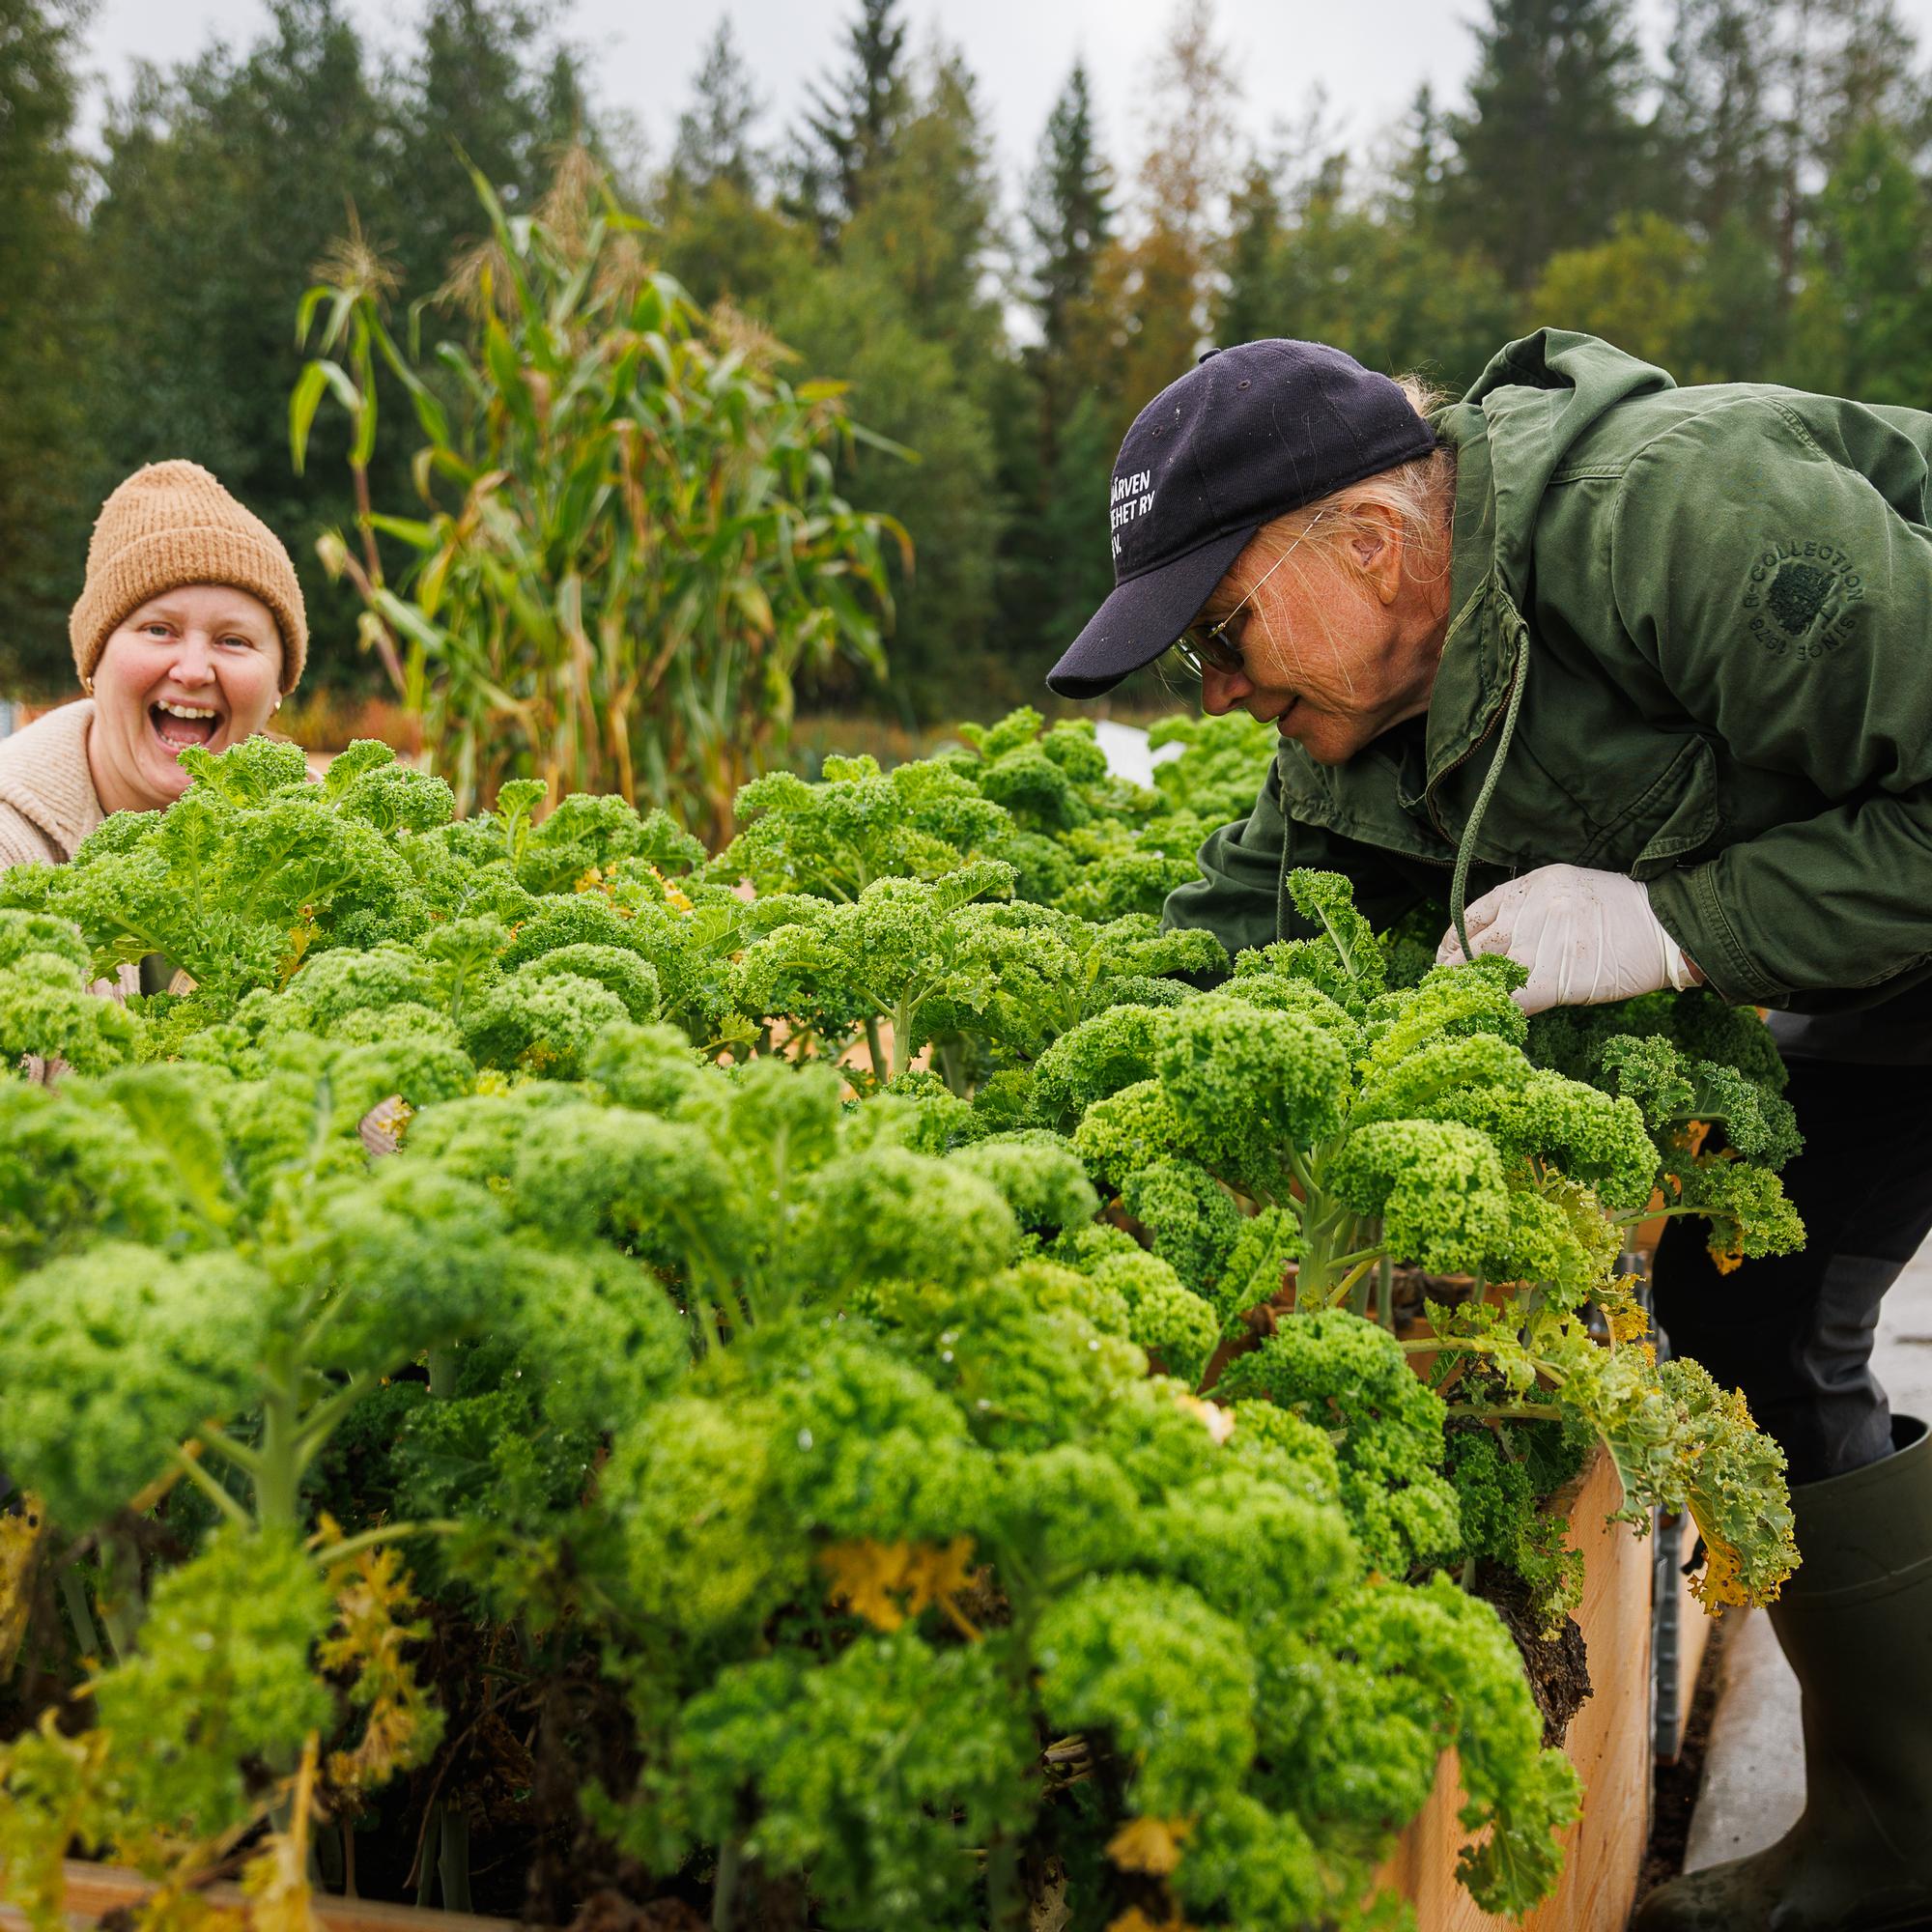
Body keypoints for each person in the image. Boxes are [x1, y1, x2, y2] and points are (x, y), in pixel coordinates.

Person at [1047, 331, 1932, 1932]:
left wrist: (1677, 925)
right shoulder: (1373, 706)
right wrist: (1042, 1106)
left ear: (1375, 543)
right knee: (1763, 1311)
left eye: (1227, 627)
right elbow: (1241, 914)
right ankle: (1895, 1835)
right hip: (1868, 913)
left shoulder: (1679, 519)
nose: (1225, 688)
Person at [0, 459, 308, 874]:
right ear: (95, 661)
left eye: (233, 640)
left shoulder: (329, 834)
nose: (194, 670)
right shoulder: (11, 842)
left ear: (279, 686)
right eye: (159, 630)